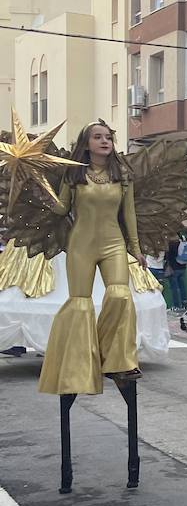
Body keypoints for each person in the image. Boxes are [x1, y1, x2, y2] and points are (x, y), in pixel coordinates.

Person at [36, 120, 144, 391]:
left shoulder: (122, 174)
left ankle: (117, 360)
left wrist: (136, 248)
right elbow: (62, 210)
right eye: (98, 137)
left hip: (113, 243)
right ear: (86, 144)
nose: (105, 141)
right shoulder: (74, 175)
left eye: (108, 137)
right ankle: (78, 367)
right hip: (81, 246)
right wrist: (41, 191)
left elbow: (128, 215)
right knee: (81, 304)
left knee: (120, 294)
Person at [165, 234, 187, 311]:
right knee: (182, 287)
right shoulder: (182, 243)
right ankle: (185, 304)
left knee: (174, 288)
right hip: (182, 268)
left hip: (173, 269)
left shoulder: (171, 245)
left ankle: (176, 306)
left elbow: (167, 257)